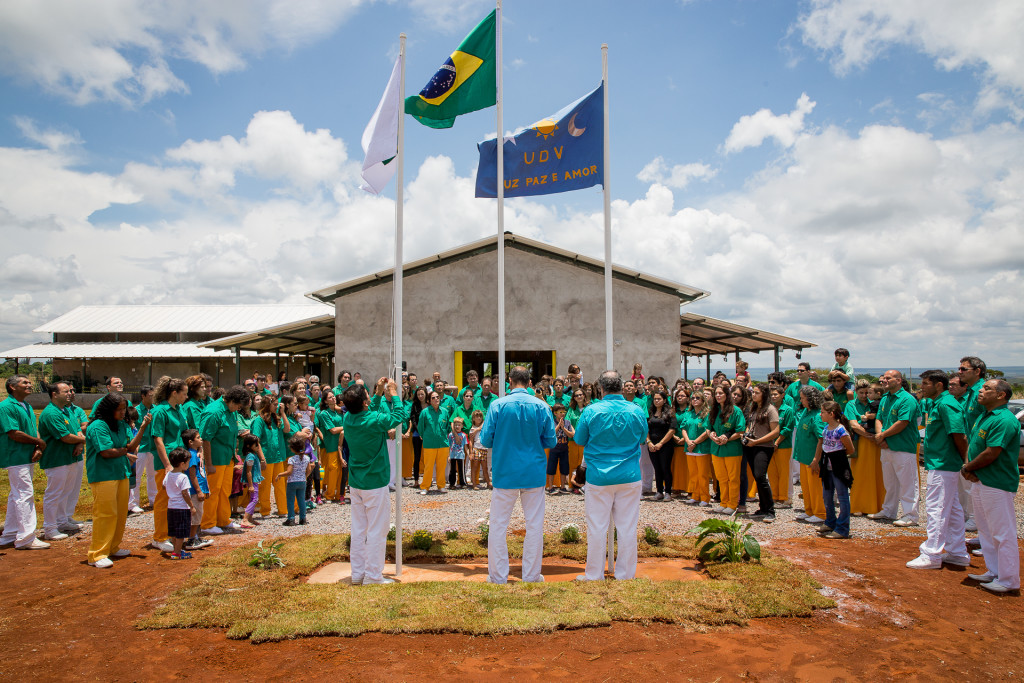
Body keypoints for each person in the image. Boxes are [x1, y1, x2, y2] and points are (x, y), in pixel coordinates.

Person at [480, 365, 556, 584]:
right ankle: (531, 576)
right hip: (533, 472)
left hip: (506, 472)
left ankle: (498, 576)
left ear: (509, 382)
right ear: (530, 383)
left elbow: (485, 440)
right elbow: (550, 440)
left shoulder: (498, 405)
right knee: (534, 525)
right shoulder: (541, 406)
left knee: (498, 526)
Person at [573, 370, 647, 581]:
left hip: (599, 476)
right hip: (629, 475)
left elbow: (579, 439)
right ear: (622, 387)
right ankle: (625, 574)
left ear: (601, 389)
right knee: (627, 527)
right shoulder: (635, 410)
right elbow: (642, 437)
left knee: (597, 527)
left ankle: (594, 574)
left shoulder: (591, 411)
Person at [341, 378, 404, 585]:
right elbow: (399, 415)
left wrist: (377, 394)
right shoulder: (372, 420)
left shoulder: (349, 419)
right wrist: (393, 393)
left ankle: (358, 574)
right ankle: (374, 576)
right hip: (375, 482)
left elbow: (370, 412)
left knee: (359, 530)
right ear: (365, 402)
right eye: (368, 395)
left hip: (356, 482)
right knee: (377, 530)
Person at [962, 379, 1021, 593]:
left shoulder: (1003, 419)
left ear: (1001, 395)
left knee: (1002, 532)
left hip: (996, 482)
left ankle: (1008, 579)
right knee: (986, 531)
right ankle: (994, 571)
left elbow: (992, 452)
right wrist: (972, 470)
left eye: (987, 388)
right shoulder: (984, 416)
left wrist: (968, 467)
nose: (981, 390)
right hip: (981, 480)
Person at [906, 370, 969, 569]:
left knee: (937, 508)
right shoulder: (937, 403)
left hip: (944, 464)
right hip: (941, 463)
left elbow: (959, 434)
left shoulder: (946, 404)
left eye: (925, 383)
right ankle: (957, 551)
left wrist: (965, 461)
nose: (921, 387)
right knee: (954, 510)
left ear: (938, 385)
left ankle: (931, 554)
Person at [84, 392, 149, 567]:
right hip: (103, 475)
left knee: (120, 513)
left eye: (124, 409)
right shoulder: (98, 426)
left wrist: (142, 428)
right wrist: (124, 451)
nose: (123, 413)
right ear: (108, 409)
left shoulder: (121, 425)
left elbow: (131, 446)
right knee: (105, 514)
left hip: (121, 473)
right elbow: (106, 452)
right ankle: (97, 554)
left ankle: (112, 547)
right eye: (119, 410)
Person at [0, 375, 48, 550]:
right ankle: (26, 537)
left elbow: (32, 430)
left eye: (29, 382)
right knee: (24, 493)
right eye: (25, 383)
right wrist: (40, 442)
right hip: (15, 455)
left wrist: (37, 446)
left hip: (26, 455)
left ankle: (10, 534)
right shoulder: (5, 407)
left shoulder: (26, 405)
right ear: (12, 387)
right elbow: (14, 433)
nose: (30, 385)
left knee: (16, 495)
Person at [871, 370, 921, 527]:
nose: (884, 381)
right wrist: (881, 437)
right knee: (890, 482)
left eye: (888, 378)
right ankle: (889, 510)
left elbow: (903, 422)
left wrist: (882, 435)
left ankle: (911, 515)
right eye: (884, 378)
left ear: (899, 380)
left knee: (907, 482)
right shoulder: (885, 398)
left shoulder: (907, 399)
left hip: (903, 447)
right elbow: (879, 418)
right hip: (887, 447)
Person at [38, 381, 86, 541]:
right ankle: (50, 528)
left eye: (71, 391)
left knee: (67, 491)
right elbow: (65, 436)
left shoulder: (67, 410)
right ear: (54, 394)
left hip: (70, 457)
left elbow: (77, 429)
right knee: (54, 493)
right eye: (66, 391)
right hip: (57, 459)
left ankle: (62, 520)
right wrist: (85, 440)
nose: (70, 394)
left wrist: (80, 441)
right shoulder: (52, 413)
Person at [198, 385, 248, 535]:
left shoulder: (231, 412)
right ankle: (207, 523)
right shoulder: (214, 412)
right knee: (212, 492)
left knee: (224, 491)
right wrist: (209, 463)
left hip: (227, 458)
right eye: (238, 405)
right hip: (215, 459)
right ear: (232, 400)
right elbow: (205, 439)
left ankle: (223, 519)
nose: (239, 409)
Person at [147, 376, 187, 552]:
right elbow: (158, 439)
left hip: (179, 460)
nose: (186, 396)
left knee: (176, 499)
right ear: (174, 393)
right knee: (164, 499)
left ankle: (173, 534)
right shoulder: (160, 411)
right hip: (167, 462)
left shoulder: (178, 410)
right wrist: (167, 465)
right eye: (184, 393)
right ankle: (159, 536)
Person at [811, 401, 855, 539]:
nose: (821, 414)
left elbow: (850, 449)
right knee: (827, 495)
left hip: (838, 465)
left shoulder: (841, 430)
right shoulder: (826, 429)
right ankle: (830, 522)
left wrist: (839, 455)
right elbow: (822, 444)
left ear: (831, 414)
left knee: (842, 496)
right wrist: (817, 460)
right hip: (827, 466)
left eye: (823, 412)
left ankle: (842, 528)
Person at [844, 379, 885, 516]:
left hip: (876, 443)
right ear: (856, 392)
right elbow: (853, 424)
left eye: (867, 392)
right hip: (861, 441)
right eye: (861, 392)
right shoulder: (851, 404)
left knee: (877, 473)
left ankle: (878, 506)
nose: (864, 395)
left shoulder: (875, 403)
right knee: (859, 474)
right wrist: (870, 435)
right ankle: (859, 505)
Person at [743, 384, 779, 522]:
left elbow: (775, 431)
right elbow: (750, 424)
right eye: (753, 393)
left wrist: (757, 442)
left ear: (764, 394)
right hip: (751, 445)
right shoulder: (754, 408)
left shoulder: (770, 409)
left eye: (756, 393)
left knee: (760, 476)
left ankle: (770, 510)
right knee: (757, 477)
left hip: (764, 446)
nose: (754, 395)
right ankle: (762, 508)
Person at [707, 385, 746, 515]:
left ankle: (733, 504)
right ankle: (723, 502)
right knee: (721, 478)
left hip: (732, 449)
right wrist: (712, 435)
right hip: (716, 448)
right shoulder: (714, 410)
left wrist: (727, 438)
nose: (718, 396)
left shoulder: (736, 411)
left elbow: (740, 431)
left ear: (726, 395)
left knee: (733, 478)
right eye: (716, 393)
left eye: (720, 393)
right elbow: (708, 428)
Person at [793, 386, 827, 524]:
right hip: (803, 457)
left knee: (815, 487)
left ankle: (820, 512)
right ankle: (809, 510)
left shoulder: (817, 416)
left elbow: (821, 439)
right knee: (806, 486)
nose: (801, 401)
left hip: (812, 458)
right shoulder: (806, 412)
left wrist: (816, 459)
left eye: (803, 398)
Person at [678, 392, 712, 507]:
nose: (695, 400)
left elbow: (707, 431)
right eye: (693, 398)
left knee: (702, 474)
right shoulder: (689, 413)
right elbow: (683, 428)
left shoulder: (707, 414)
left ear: (703, 400)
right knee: (693, 474)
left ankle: (705, 497)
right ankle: (695, 495)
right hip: (690, 448)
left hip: (702, 448)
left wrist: (695, 442)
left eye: (698, 398)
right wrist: (688, 441)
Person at [163, 447, 196, 560]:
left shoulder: (168, 474)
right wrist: (191, 506)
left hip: (171, 506)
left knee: (173, 530)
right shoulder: (183, 477)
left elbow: (163, 486)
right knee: (181, 532)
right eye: (187, 462)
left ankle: (175, 550)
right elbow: (185, 493)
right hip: (182, 507)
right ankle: (177, 553)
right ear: (182, 464)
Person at [417, 390, 453, 494]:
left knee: (441, 466)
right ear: (429, 400)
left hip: (443, 443)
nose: (436, 399)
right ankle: (425, 486)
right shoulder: (425, 412)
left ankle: (441, 485)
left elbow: (447, 427)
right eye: (433, 397)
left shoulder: (445, 412)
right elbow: (421, 427)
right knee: (428, 466)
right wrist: (425, 437)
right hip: (429, 444)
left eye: (437, 397)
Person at [182, 429, 213, 551]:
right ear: (190, 442)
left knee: (199, 515)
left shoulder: (196, 452)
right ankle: (191, 540)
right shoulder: (191, 455)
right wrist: (199, 491)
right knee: (195, 516)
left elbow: (202, 472)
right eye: (198, 438)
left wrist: (206, 488)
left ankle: (195, 537)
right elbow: (192, 475)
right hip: (195, 491)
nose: (201, 439)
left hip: (200, 488)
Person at [128, 384, 155, 513]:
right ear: (143, 396)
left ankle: (154, 499)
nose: (152, 398)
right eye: (150, 395)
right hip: (140, 447)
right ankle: (133, 503)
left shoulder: (156, 409)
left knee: (153, 475)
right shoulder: (137, 411)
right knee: (137, 476)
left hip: (152, 447)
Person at [646, 389, 677, 501]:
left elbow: (672, 430)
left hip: (666, 445)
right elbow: (645, 429)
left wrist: (661, 443)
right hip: (652, 445)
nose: (656, 401)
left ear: (664, 400)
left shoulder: (670, 412)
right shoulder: (650, 413)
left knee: (665, 468)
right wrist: (649, 442)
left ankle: (668, 491)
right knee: (657, 468)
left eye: (659, 399)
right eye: (655, 399)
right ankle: (659, 491)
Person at [276, 436, 313, 526]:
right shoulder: (307, 458)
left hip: (292, 482)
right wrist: (304, 477)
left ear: (292, 449)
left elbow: (289, 472)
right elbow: (309, 470)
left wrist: (280, 474)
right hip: (302, 482)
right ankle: (303, 519)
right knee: (301, 501)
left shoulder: (291, 459)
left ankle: (291, 519)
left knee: (290, 501)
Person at [315, 391, 345, 502]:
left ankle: (339, 493)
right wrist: (346, 427)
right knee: (333, 469)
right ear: (325, 401)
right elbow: (332, 430)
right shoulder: (324, 414)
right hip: (331, 445)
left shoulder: (339, 412)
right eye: (330, 397)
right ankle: (330, 494)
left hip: (342, 444)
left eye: (333, 396)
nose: (333, 398)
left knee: (342, 469)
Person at [547, 404, 573, 493]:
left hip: (564, 448)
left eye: (564, 412)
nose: (562, 414)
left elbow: (572, 434)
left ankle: (562, 487)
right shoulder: (552, 422)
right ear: (555, 413)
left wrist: (564, 428)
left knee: (564, 468)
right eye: (560, 412)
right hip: (554, 449)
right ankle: (550, 487)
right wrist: (559, 426)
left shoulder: (568, 422)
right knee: (551, 468)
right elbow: (552, 433)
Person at [240, 434, 264, 528]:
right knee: (254, 499)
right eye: (256, 445)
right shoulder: (250, 457)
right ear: (249, 446)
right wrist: (250, 485)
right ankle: (245, 519)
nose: (258, 447)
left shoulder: (253, 455)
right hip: (252, 481)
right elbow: (248, 471)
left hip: (254, 480)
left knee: (253, 498)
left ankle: (250, 518)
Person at [468, 410, 489, 489]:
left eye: (480, 416)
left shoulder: (483, 427)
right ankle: (474, 484)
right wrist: (471, 452)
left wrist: (477, 429)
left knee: (485, 467)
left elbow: (485, 421)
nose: (479, 418)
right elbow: (471, 442)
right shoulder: (472, 429)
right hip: (476, 448)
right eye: (477, 417)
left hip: (483, 449)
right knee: (475, 467)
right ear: (473, 418)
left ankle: (488, 483)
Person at [448, 417, 468, 489]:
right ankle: (452, 484)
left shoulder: (464, 435)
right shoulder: (450, 435)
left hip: (461, 454)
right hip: (453, 454)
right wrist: (448, 456)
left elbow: (465, 446)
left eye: (459, 425)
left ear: (462, 426)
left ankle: (462, 483)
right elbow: (449, 445)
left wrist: (468, 454)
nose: (457, 426)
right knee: (452, 470)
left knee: (461, 469)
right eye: (456, 425)